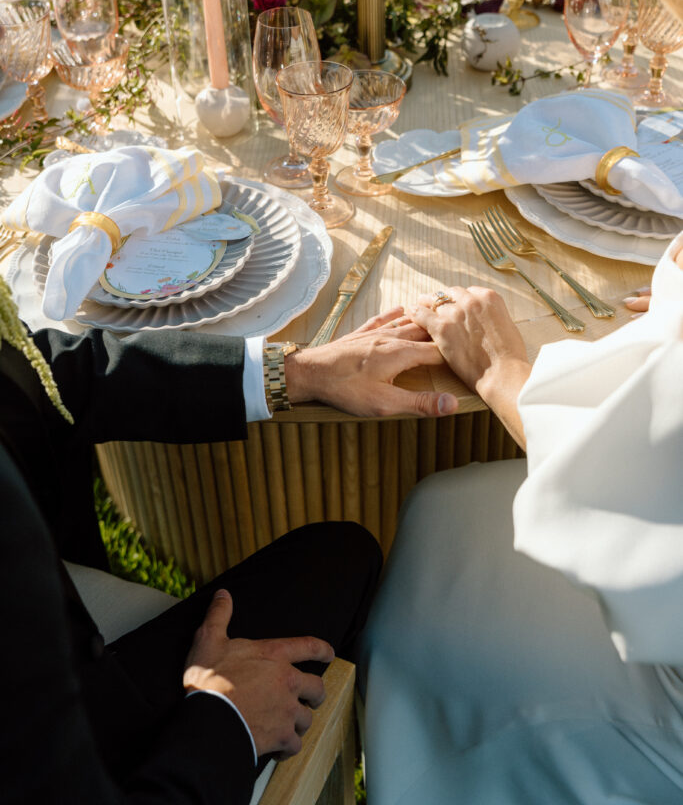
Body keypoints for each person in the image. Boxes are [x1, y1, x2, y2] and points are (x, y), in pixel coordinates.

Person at [0, 277, 458, 805]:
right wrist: (228, 720)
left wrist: (292, 372)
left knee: (341, 556)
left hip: (66, 658)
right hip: (123, 768)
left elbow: (40, 374)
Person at [358, 231, 683, 804]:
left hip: (661, 692)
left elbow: (629, 503)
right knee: (445, 503)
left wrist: (501, 369)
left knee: (439, 540)